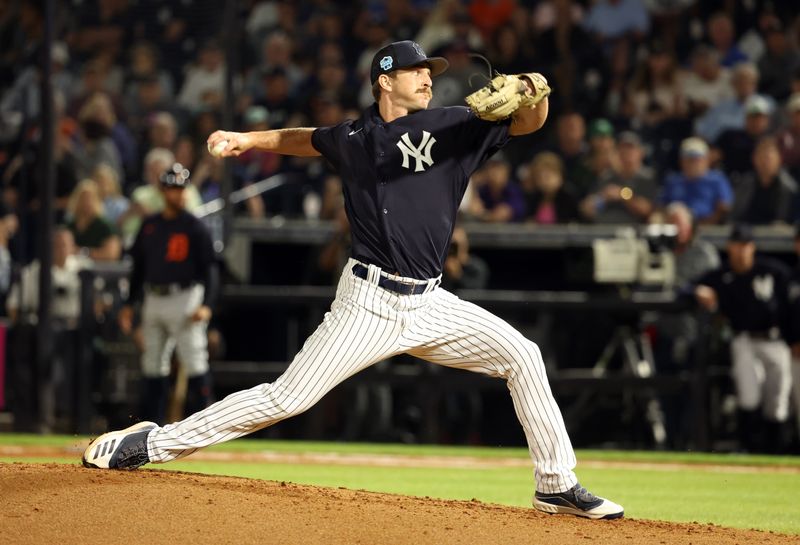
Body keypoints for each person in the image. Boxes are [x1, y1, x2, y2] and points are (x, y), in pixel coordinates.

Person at [83, 40, 624, 520]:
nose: (428, 77)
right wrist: (249, 138)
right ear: (385, 80)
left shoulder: (456, 124)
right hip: (368, 302)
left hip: (431, 302)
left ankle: (556, 486)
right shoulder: (353, 136)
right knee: (285, 399)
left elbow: (529, 123)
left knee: (523, 355)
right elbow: (304, 139)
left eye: (430, 70)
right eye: (417, 71)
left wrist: (536, 92)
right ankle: (152, 443)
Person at [116, 163, 218, 425]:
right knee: (152, 364)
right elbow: (139, 268)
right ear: (163, 191)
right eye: (173, 188)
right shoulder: (150, 225)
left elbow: (210, 270)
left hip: (185, 297)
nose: (179, 193)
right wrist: (130, 304)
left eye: (181, 188)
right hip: (153, 297)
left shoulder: (195, 226)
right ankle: (151, 426)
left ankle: (205, 425)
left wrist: (207, 304)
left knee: (195, 360)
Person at [694, 224, 792, 453]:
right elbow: (690, 287)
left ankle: (776, 450)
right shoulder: (723, 275)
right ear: (730, 247)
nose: (741, 251)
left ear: (752, 247)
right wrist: (698, 291)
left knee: (777, 398)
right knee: (748, 395)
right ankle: (750, 447)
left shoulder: (772, 271)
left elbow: (791, 300)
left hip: (775, 339)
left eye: (745, 245)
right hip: (744, 339)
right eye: (737, 245)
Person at [580, 131, 657, 224]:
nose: (627, 154)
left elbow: (647, 210)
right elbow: (586, 210)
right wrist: (603, 197)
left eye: (631, 149)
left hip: (632, 232)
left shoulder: (647, 178)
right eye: (623, 150)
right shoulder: (606, 177)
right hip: (604, 231)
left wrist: (623, 194)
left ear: (640, 153)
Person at [661, 137, 733, 225]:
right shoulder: (673, 181)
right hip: (677, 226)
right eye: (688, 159)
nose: (693, 164)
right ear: (681, 161)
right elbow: (661, 206)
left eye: (697, 159)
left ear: (706, 160)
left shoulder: (717, 180)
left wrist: (708, 222)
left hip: (709, 227)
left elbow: (724, 207)